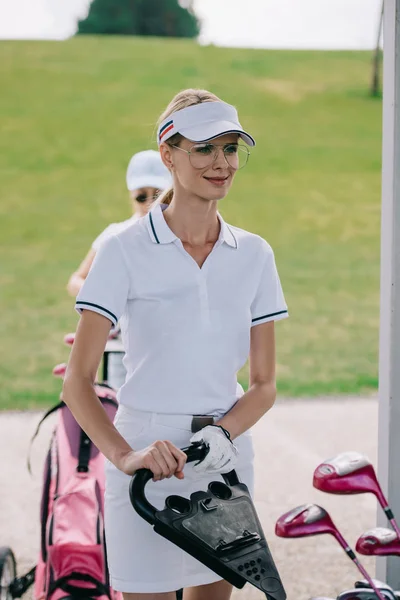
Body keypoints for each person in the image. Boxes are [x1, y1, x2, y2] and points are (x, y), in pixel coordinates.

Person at [63, 88, 289, 600]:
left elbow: (264, 384)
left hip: (223, 460)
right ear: (168, 154)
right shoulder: (123, 249)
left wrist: (224, 435)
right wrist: (125, 458)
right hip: (147, 458)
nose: (222, 163)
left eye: (230, 148)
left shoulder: (254, 254)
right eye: (204, 148)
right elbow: (78, 382)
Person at [67, 150, 171, 297]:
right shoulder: (115, 233)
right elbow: (76, 280)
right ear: (131, 196)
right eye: (141, 197)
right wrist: (107, 297)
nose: (149, 204)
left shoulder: (184, 234)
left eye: (156, 196)